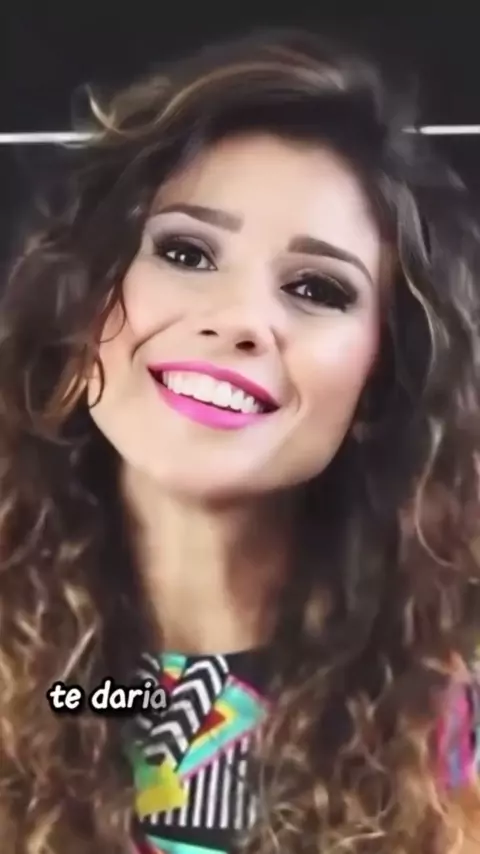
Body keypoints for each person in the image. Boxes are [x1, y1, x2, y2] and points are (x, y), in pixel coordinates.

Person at [1, 27, 480, 854]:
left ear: (380, 379)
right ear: (81, 310)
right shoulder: (42, 687)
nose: (241, 319)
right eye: (186, 251)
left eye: (317, 288)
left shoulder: (451, 713)